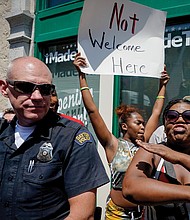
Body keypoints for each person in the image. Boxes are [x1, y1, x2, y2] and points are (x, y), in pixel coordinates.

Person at [0, 56, 109, 220]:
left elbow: (83, 214)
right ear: (4, 88)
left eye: (45, 89)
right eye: (26, 87)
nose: (37, 96)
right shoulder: (2, 132)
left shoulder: (72, 136)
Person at [73, 52, 170, 219]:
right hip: (116, 215)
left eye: (143, 123)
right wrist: (81, 75)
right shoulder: (113, 144)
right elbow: (92, 110)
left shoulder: (144, 143)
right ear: (125, 126)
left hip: (143, 214)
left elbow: (156, 112)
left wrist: (163, 85)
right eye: (138, 123)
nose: (142, 126)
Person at [122, 98, 190, 219]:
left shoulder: (167, 153)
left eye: (188, 116)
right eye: (172, 116)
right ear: (164, 126)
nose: (180, 120)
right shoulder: (152, 152)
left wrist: (179, 157)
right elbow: (131, 188)